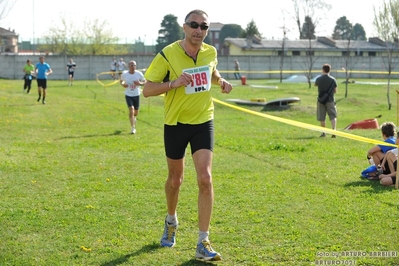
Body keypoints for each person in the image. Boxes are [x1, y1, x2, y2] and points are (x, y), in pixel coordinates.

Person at [143, 9, 233, 262]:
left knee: (205, 178)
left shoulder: (210, 52)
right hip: (176, 123)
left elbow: (211, 73)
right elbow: (147, 90)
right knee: (175, 180)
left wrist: (221, 81)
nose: (199, 30)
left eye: (203, 27)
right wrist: (173, 83)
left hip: (204, 120)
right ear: (184, 27)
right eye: (194, 25)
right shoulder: (167, 53)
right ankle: (171, 220)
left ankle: (202, 241)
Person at [120, 60, 146, 134]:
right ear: (129, 66)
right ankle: (133, 128)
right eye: (131, 65)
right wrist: (123, 84)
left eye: (134, 65)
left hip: (136, 94)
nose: (133, 67)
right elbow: (121, 81)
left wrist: (139, 83)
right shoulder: (125, 74)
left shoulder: (139, 74)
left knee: (136, 112)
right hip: (128, 95)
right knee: (131, 109)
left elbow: (145, 82)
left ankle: (133, 119)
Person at [314, 63, 338, 138]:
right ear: (329, 70)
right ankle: (334, 131)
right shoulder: (333, 79)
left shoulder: (319, 79)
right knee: (332, 116)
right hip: (330, 100)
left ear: (323, 70)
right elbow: (335, 91)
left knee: (322, 117)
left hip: (321, 100)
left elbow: (315, 85)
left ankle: (323, 133)